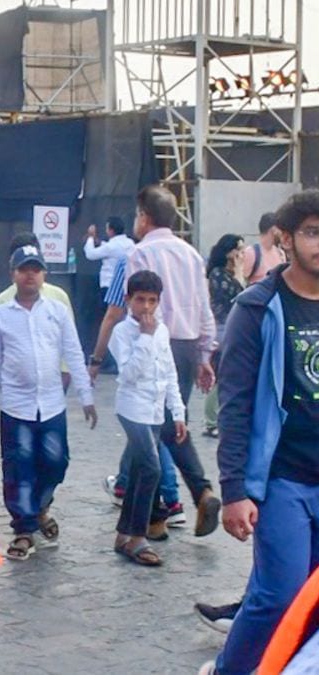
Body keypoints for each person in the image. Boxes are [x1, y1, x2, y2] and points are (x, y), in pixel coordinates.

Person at [201, 190, 319, 674]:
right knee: (279, 594)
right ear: (285, 239)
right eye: (313, 232)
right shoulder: (259, 306)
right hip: (283, 479)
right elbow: (235, 404)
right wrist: (233, 490)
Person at [115, 185, 222, 539]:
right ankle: (160, 509)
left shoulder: (140, 253)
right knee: (168, 425)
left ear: (144, 218)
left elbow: (130, 303)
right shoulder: (191, 254)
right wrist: (205, 355)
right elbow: (204, 306)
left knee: (153, 427)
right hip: (188, 344)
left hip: (155, 340)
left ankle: (181, 498)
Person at [0, 245, 96, 561]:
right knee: (19, 467)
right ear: (13, 274)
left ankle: (41, 506)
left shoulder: (56, 310)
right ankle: (23, 528)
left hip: (52, 405)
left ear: (44, 273)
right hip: (16, 407)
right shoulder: (1, 314)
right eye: (23, 269)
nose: (30, 275)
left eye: (35, 269)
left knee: (56, 461)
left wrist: (86, 396)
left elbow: (73, 351)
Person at [94, 255, 188, 533]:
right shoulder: (121, 333)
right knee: (151, 468)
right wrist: (145, 338)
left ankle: (125, 533)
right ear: (128, 300)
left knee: (137, 471)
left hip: (156, 410)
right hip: (132, 409)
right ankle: (138, 532)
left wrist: (178, 412)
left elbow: (170, 373)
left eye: (152, 301)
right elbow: (130, 373)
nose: (146, 307)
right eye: (140, 300)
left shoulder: (162, 331)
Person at [203, 234, 246, 437]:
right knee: (220, 373)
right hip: (221, 328)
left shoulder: (233, 273)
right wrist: (238, 274)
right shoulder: (218, 274)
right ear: (228, 251)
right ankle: (211, 421)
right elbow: (238, 295)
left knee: (227, 373)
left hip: (234, 327)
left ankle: (216, 418)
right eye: (238, 249)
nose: (241, 254)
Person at [83, 216, 135, 299]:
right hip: (126, 285)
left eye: (107, 228)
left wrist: (90, 237)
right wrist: (99, 242)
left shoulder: (111, 247)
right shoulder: (130, 243)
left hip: (109, 285)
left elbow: (90, 254)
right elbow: (111, 249)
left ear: (111, 231)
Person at [243, 211, 287, 285]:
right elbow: (241, 282)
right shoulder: (251, 253)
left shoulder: (280, 253)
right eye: (281, 229)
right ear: (274, 230)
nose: (283, 234)